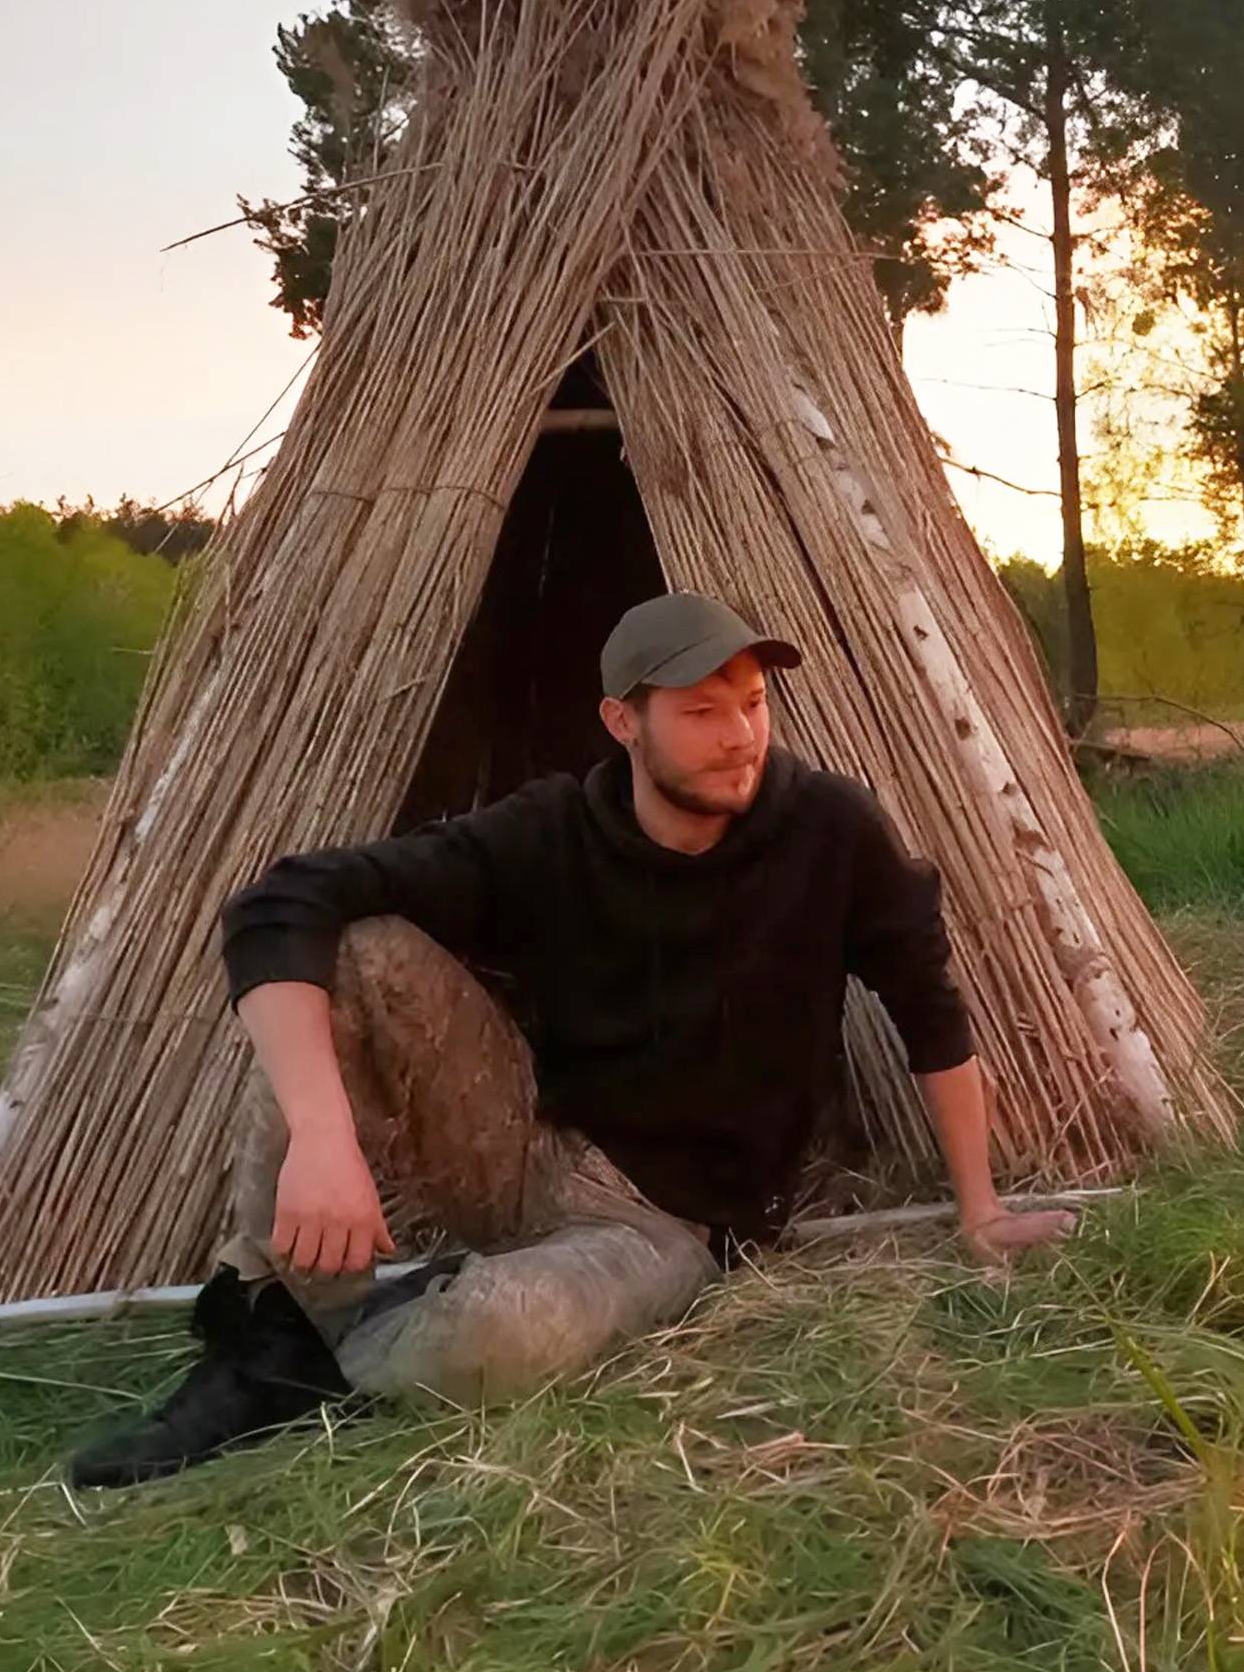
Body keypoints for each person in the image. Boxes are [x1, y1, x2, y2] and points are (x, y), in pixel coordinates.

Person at [66, 590, 1071, 1488]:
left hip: (668, 1224)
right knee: (362, 949)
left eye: (753, 703)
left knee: (492, 1340)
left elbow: (929, 1010)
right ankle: (261, 1316)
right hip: (535, 1152)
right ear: (622, 721)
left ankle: (315, 1341)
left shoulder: (830, 832)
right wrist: (324, 1136)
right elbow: (280, 901)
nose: (741, 736)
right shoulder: (550, 831)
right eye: (702, 711)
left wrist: (977, 1211)